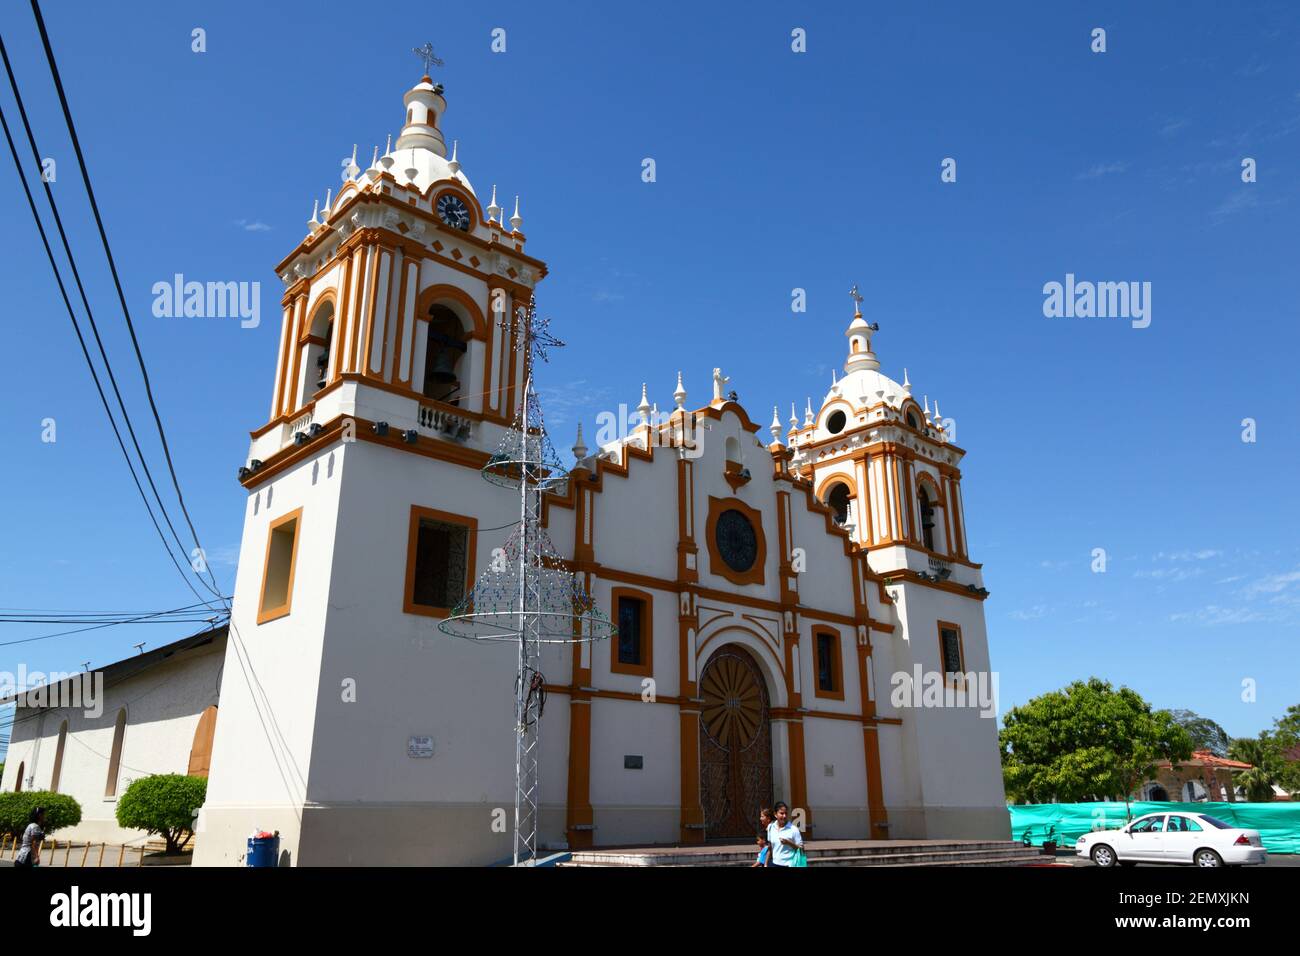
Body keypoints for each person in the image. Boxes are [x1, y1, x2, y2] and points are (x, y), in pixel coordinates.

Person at [766, 802, 803, 868]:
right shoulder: (771, 827)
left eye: (786, 813)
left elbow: (801, 850)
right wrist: (766, 864)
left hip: (789, 864)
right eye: (782, 813)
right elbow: (770, 847)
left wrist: (789, 843)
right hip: (774, 864)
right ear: (775, 814)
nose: (784, 816)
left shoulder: (793, 829)